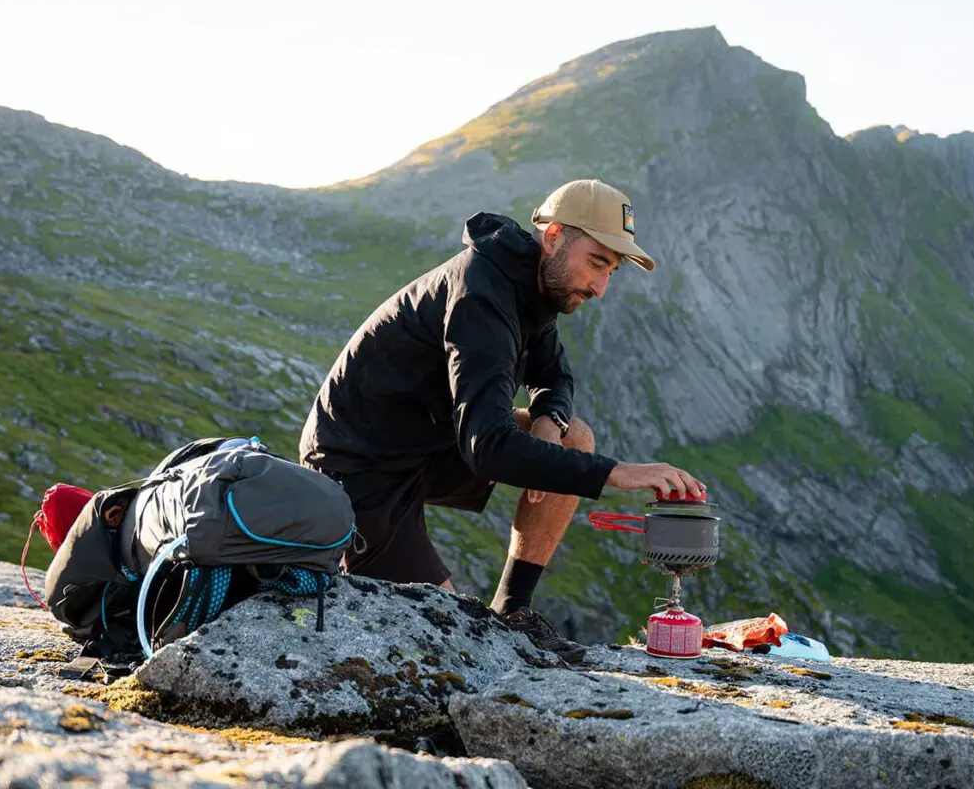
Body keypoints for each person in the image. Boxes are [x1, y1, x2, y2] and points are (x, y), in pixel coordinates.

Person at [298, 178, 706, 664]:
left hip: (427, 442)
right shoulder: (481, 295)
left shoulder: (536, 287)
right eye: (597, 263)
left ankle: (513, 608)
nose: (600, 287)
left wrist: (548, 420)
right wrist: (618, 473)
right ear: (554, 237)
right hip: (359, 468)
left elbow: (555, 375)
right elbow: (487, 447)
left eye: (612, 271)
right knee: (447, 641)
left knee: (575, 439)